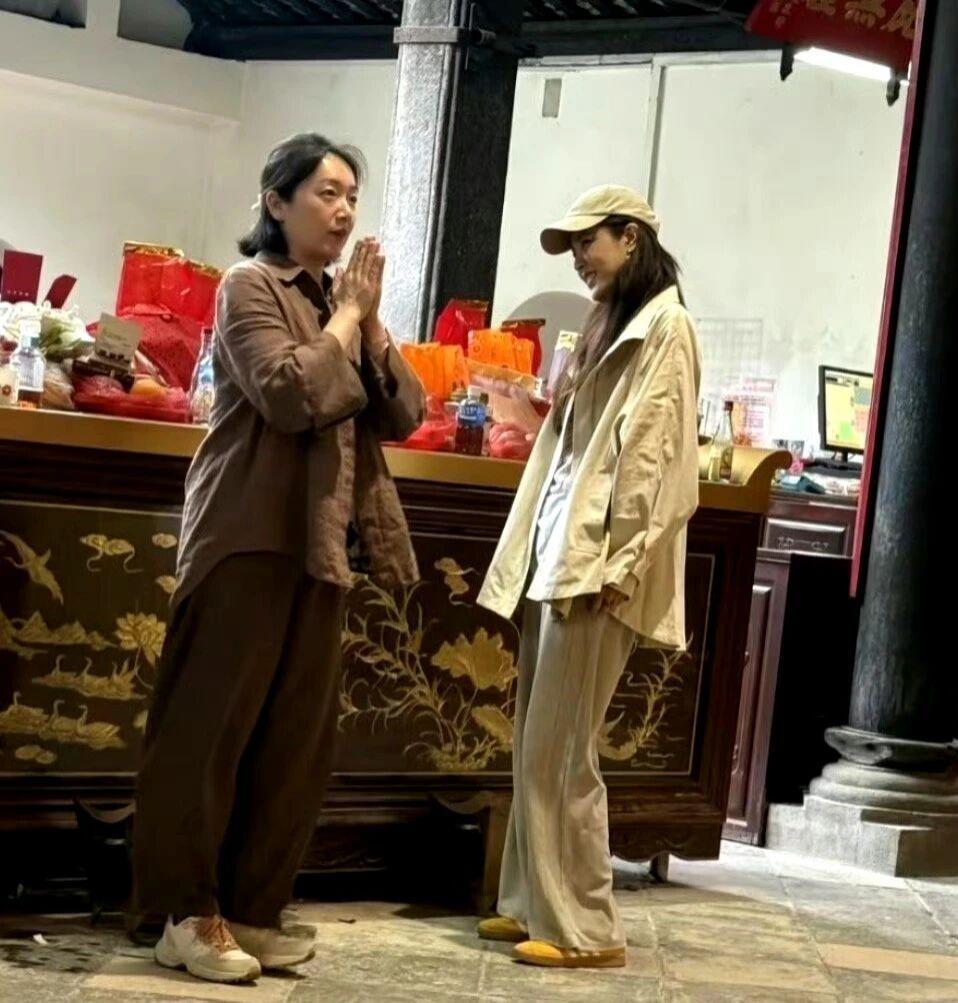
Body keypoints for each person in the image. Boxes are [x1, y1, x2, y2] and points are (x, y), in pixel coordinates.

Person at [133, 132, 424, 985]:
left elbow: (405, 411)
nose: (343, 212)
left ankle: (252, 911)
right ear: (275, 201)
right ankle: (184, 913)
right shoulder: (249, 286)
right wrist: (346, 318)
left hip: (320, 542)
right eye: (327, 194)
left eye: (352, 198)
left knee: (294, 742)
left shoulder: (344, 302)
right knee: (208, 732)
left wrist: (366, 319)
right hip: (246, 531)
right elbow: (291, 394)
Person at [476, 185, 701, 969]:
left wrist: (624, 559)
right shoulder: (610, 322)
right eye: (570, 245)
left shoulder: (665, 327)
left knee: (565, 749)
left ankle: (585, 927)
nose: (577, 257)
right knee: (536, 741)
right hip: (561, 549)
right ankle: (530, 901)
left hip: (597, 563)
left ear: (631, 237)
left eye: (587, 241)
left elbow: (657, 453)